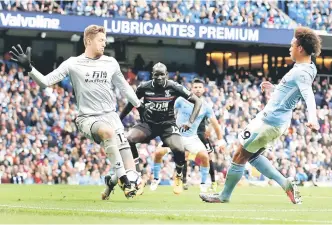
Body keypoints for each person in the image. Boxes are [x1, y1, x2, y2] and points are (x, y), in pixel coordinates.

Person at [10, 25, 142, 200]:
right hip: (88, 119)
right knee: (109, 137)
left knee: (132, 171)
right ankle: (124, 180)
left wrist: (140, 107)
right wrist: (29, 68)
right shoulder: (72, 63)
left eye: (105, 41)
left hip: (112, 117)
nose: (104, 44)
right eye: (101, 40)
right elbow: (45, 82)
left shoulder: (111, 63)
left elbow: (125, 88)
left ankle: (112, 181)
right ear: (88, 41)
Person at [199, 26, 322, 204]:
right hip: (276, 120)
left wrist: (313, 117)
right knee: (253, 156)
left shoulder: (301, 72)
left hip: (269, 121)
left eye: (292, 45)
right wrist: (275, 89)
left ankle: (224, 196)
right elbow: (290, 93)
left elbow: (308, 95)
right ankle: (286, 184)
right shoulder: (308, 67)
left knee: (239, 155)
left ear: (300, 48)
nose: (290, 48)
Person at [120, 62, 202, 195]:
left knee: (179, 149)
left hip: (167, 125)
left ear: (166, 75)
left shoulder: (174, 87)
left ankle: (179, 176)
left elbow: (198, 102)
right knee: (129, 139)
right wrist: (119, 120)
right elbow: (131, 104)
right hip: (148, 125)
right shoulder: (143, 87)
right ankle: (137, 177)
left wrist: (190, 121)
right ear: (152, 75)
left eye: (162, 75)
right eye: (156, 75)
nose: (159, 78)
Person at [150, 78, 225, 193]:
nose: (198, 89)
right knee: (158, 153)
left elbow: (216, 125)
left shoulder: (206, 107)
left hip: (191, 138)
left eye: (200, 87)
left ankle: (204, 183)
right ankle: (155, 179)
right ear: (191, 89)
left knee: (205, 157)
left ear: (204, 90)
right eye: (195, 87)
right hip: (175, 135)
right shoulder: (181, 100)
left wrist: (220, 141)